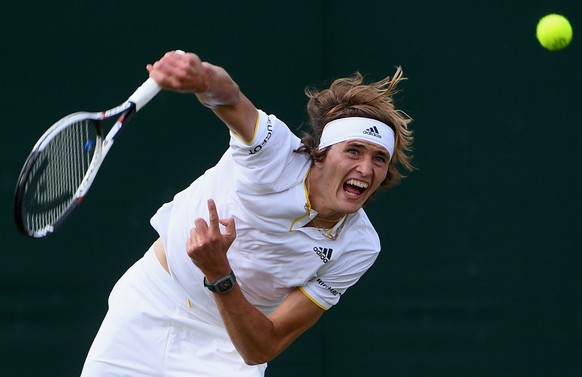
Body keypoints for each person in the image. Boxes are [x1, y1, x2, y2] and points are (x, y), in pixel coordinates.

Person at [80, 50, 414, 377]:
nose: (365, 168)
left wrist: (218, 272)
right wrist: (202, 77)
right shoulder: (273, 152)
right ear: (321, 154)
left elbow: (260, 348)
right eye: (353, 151)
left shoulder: (359, 246)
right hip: (150, 304)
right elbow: (229, 99)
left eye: (379, 159)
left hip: (228, 349)